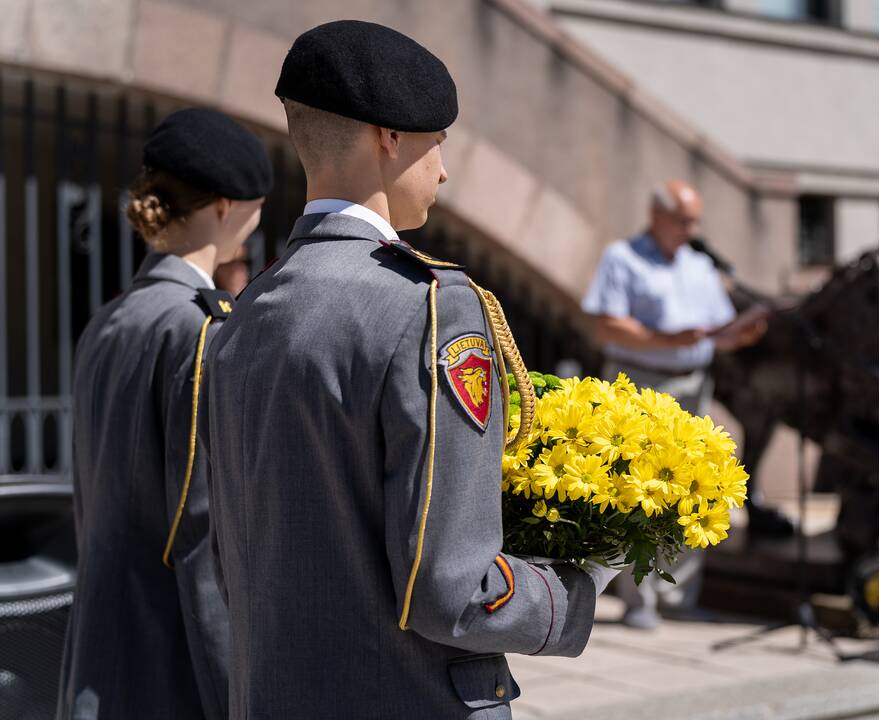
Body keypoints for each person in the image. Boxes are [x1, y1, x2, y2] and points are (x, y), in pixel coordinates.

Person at [203, 21, 616, 718]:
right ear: (388, 137)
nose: (444, 170)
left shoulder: (245, 313)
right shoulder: (429, 306)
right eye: (437, 143)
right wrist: (585, 581)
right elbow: (454, 590)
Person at [58, 108, 272, 719]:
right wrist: (237, 689)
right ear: (227, 206)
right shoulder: (199, 328)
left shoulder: (108, 320)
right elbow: (200, 535)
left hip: (98, 646)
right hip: (167, 659)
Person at [581, 180, 776, 629]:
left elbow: (714, 331)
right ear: (657, 217)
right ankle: (639, 600)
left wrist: (741, 335)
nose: (692, 229)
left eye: (695, 221)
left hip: (693, 386)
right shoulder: (622, 258)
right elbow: (607, 326)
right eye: (684, 220)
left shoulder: (699, 266)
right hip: (640, 383)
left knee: (692, 488)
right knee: (640, 494)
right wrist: (665, 339)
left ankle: (678, 597)